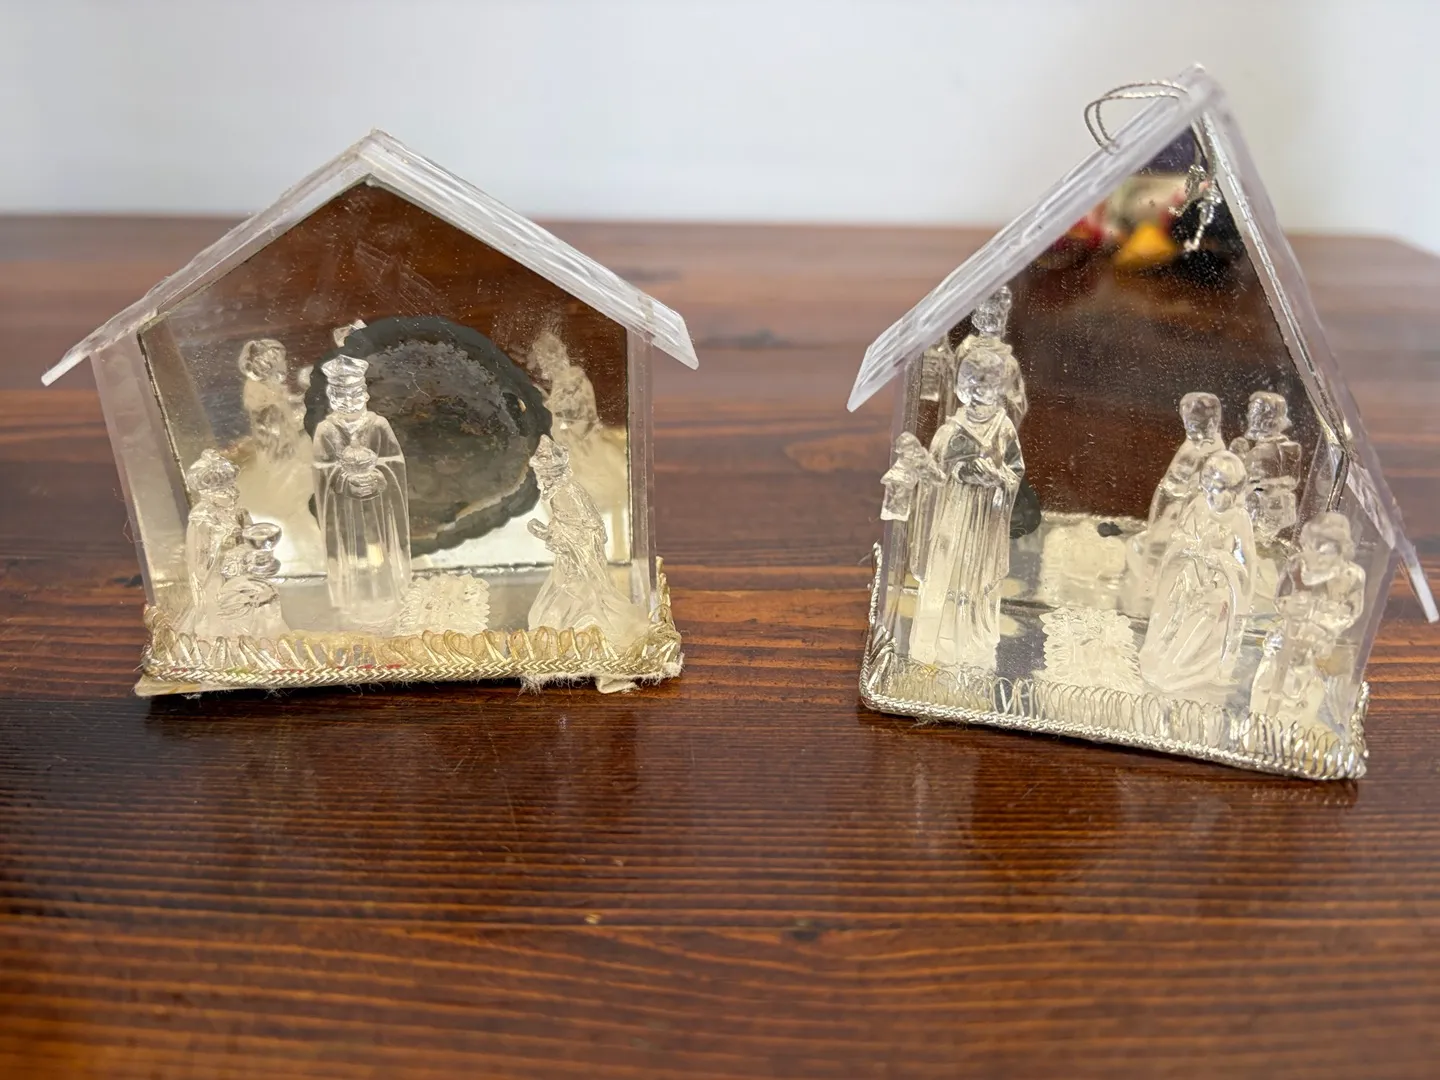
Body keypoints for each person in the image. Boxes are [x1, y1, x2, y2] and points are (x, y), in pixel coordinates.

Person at [908, 347, 1025, 669]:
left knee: (975, 577)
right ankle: (934, 643)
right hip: (954, 513)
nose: (980, 390)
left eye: (988, 383)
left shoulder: (1003, 427)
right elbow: (934, 473)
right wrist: (961, 472)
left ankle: (971, 643)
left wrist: (996, 477)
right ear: (963, 385)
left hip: (983, 518)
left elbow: (1015, 470)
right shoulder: (950, 430)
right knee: (946, 571)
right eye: (974, 382)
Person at [1138, 450, 1257, 694]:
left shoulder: (1239, 519)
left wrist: (1219, 560)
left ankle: (1181, 668)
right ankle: (1161, 661)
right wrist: (1190, 548)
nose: (1211, 495)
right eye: (1207, 488)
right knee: (1169, 630)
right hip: (1188, 583)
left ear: (1234, 491)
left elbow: (1246, 567)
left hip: (1213, 597)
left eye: (1218, 490)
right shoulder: (1198, 505)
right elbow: (1179, 537)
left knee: (1191, 640)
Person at [312, 355, 411, 630]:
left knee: (381, 552)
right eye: (341, 395)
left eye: (354, 393)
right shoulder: (327, 430)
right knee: (353, 556)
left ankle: (390, 596)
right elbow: (321, 470)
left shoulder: (378, 425)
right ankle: (353, 602)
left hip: (377, 508)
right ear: (332, 396)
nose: (349, 400)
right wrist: (344, 482)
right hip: (346, 511)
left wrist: (378, 477)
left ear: (365, 393)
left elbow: (395, 463)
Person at [527, 436, 648, 649]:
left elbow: (585, 524)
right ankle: (568, 627)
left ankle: (587, 629)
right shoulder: (560, 491)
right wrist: (549, 532)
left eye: (542, 475)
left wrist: (548, 534)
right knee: (565, 591)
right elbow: (565, 522)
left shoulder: (565, 492)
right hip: (571, 554)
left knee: (582, 590)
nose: (541, 479)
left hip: (580, 554)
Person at [1250, 512, 1365, 724]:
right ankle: (1261, 715)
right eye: (1311, 547)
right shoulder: (1297, 565)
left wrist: (1319, 612)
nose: (1315, 556)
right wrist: (1292, 606)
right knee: (1273, 664)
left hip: (1320, 637)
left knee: (1302, 676)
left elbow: (1351, 612)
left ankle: (1292, 719)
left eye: (1324, 550)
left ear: (1340, 549)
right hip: (1291, 631)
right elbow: (1281, 599)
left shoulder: (1351, 576)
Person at [1121, 392, 1225, 616]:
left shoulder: (1211, 452)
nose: (1188, 426)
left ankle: (1154, 591)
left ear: (1210, 421)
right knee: (1149, 546)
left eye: (1193, 421)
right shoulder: (1194, 446)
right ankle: (1150, 587)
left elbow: (1200, 490)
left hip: (1187, 518)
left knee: (1158, 552)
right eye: (1187, 421)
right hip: (1173, 510)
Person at [1229, 391, 1303, 548]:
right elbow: (1292, 480)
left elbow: (1246, 484)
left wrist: (1258, 484)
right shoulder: (1291, 448)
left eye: (1254, 413)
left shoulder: (1263, 452)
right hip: (1274, 509)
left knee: (1254, 543)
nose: (1249, 417)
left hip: (1263, 511)